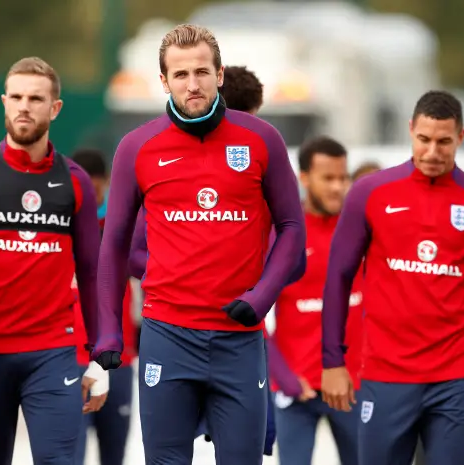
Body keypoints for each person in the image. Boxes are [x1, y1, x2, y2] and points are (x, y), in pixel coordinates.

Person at [93, 24, 306, 465]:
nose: (193, 84)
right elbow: (113, 245)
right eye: (181, 74)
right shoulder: (137, 147)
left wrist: (261, 297)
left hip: (240, 340)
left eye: (202, 72)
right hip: (167, 337)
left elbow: (291, 227)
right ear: (164, 81)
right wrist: (110, 328)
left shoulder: (261, 140)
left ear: (220, 74)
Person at [320, 90, 464, 465]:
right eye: (424, 139)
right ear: (411, 130)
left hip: (454, 377)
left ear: (461, 137)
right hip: (385, 375)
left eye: (444, 141)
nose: (433, 152)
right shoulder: (370, 193)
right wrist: (332, 362)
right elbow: (338, 276)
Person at [0, 57, 108, 465]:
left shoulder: (75, 180)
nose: (25, 106)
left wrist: (101, 353)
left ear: (55, 108)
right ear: (5, 102)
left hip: (53, 352)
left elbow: (92, 272)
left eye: (36, 98)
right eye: (17, 97)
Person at [268, 135, 363, 465]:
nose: (338, 187)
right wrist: (283, 375)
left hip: (356, 385)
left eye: (343, 177)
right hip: (297, 389)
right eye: (328, 178)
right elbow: (247, 314)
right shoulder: (283, 236)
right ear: (304, 178)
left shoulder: (362, 231)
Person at [70, 148, 136, 465]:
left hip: (118, 363)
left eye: (95, 187)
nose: (89, 195)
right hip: (70, 360)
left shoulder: (120, 230)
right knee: (70, 453)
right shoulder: (59, 232)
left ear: (107, 184)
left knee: (114, 456)